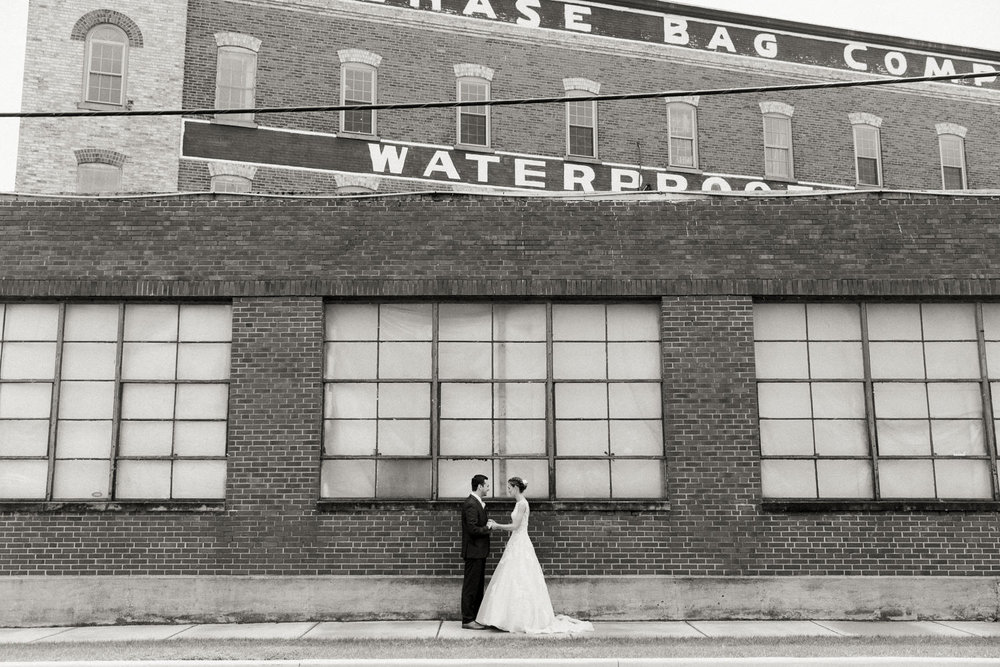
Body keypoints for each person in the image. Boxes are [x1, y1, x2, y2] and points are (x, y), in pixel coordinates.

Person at [476, 477, 594, 634]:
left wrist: (497, 526)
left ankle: (520, 619)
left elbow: (516, 526)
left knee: (522, 576)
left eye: (510, 488)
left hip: (520, 543)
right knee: (512, 577)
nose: (508, 490)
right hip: (516, 543)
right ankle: (505, 618)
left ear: (516, 488)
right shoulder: (519, 503)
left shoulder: (523, 504)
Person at [460, 473, 492, 630]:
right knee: (471, 587)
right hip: (473, 551)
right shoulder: (471, 504)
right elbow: (472, 529)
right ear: (480, 486)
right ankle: (467, 619)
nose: (488, 488)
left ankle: (476, 617)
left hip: (478, 552)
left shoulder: (477, 502)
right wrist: (488, 528)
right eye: (486, 485)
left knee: (478, 586)